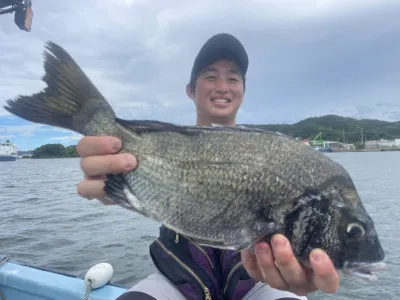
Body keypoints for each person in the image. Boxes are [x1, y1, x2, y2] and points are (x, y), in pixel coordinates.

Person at [76, 33, 340, 300]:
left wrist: (305, 262)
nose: (222, 86)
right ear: (190, 90)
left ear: (243, 91)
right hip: (176, 279)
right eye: (210, 76)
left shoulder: (276, 159)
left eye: (233, 78)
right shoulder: (163, 148)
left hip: (260, 280)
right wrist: (112, 187)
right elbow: (133, 186)